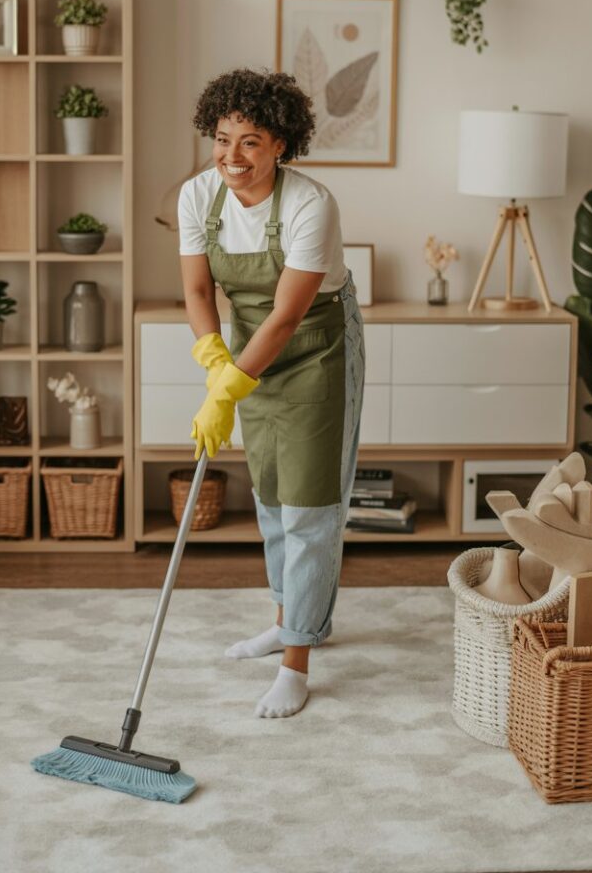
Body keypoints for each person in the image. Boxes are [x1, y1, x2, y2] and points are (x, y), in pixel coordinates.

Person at [178, 68, 365, 718]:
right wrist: (213, 362)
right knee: (272, 494)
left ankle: (297, 662)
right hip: (247, 348)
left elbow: (289, 315)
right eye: (221, 139)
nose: (232, 157)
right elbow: (200, 292)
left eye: (250, 142)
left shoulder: (311, 204)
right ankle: (289, 619)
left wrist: (230, 386)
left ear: (282, 144)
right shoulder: (199, 197)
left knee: (310, 507)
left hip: (315, 350)